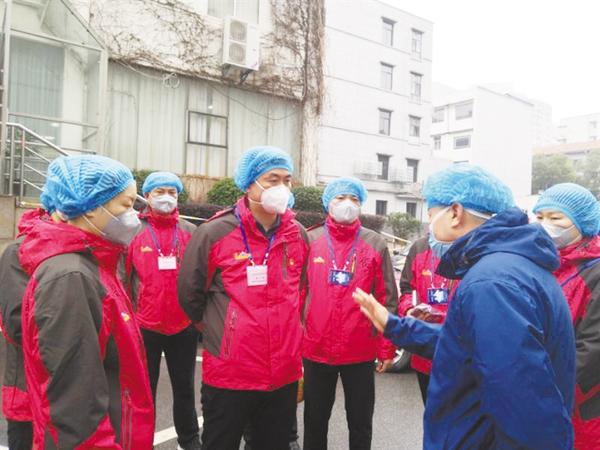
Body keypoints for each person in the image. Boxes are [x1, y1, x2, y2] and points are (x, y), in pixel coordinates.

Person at [353, 163, 576, 450]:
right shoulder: (506, 267)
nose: (430, 227)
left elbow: (525, 409)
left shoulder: (492, 283)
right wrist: (397, 327)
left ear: (455, 213)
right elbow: (468, 347)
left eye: (431, 215)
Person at [178, 146, 309, 450]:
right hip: (230, 372)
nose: (281, 187)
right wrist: (220, 331)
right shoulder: (214, 233)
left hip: (282, 374)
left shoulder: (297, 234)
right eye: (272, 179)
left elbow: (301, 292)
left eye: (287, 180)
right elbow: (190, 294)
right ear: (249, 183)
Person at [18, 155, 154, 449]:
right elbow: (74, 401)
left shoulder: (94, 261)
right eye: (126, 205)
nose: (134, 215)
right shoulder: (71, 276)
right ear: (91, 206)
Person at [301, 177, 397, 450]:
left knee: (360, 421)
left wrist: (386, 347)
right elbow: (296, 293)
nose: (348, 204)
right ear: (328, 203)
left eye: (354, 199)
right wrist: (295, 342)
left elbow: (387, 299)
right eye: (341, 198)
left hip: (360, 349)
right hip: (316, 348)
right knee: (315, 420)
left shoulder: (375, 243)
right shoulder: (310, 239)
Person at [126, 171, 201, 450]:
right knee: (144, 391)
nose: (166, 197)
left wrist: (197, 316)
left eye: (172, 192)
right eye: (160, 192)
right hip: (144, 325)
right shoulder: (133, 230)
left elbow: (199, 277)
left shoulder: (190, 231)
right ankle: (140, 442)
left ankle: (189, 441)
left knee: (185, 388)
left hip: (183, 325)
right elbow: (123, 278)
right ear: (147, 196)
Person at [533, 183, 600, 450]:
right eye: (540, 217)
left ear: (582, 221)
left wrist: (545, 393)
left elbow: (592, 350)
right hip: (546, 395)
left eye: (556, 218)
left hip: (582, 404)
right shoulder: (546, 263)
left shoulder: (594, 272)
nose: (545, 225)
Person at [0, 186, 58, 450]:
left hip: (66, 386)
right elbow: (17, 323)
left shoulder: (87, 249)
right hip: (26, 383)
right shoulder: (18, 252)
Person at [398, 236, 458, 404]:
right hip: (425, 352)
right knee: (431, 411)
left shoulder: (473, 245)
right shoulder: (420, 247)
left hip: (459, 356)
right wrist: (409, 309)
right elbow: (406, 289)